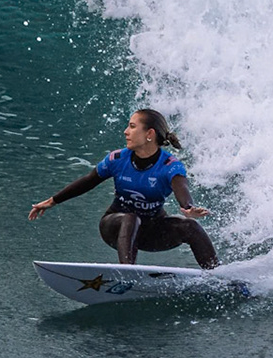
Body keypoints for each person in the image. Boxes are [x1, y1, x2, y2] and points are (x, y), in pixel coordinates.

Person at [28, 108, 219, 269]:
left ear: (149, 134)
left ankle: (217, 275)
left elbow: (181, 187)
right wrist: (52, 201)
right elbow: (88, 181)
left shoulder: (169, 165)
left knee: (190, 226)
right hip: (114, 227)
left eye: (132, 126)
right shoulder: (117, 159)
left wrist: (188, 207)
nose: (126, 131)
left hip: (151, 231)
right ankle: (127, 271)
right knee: (131, 218)